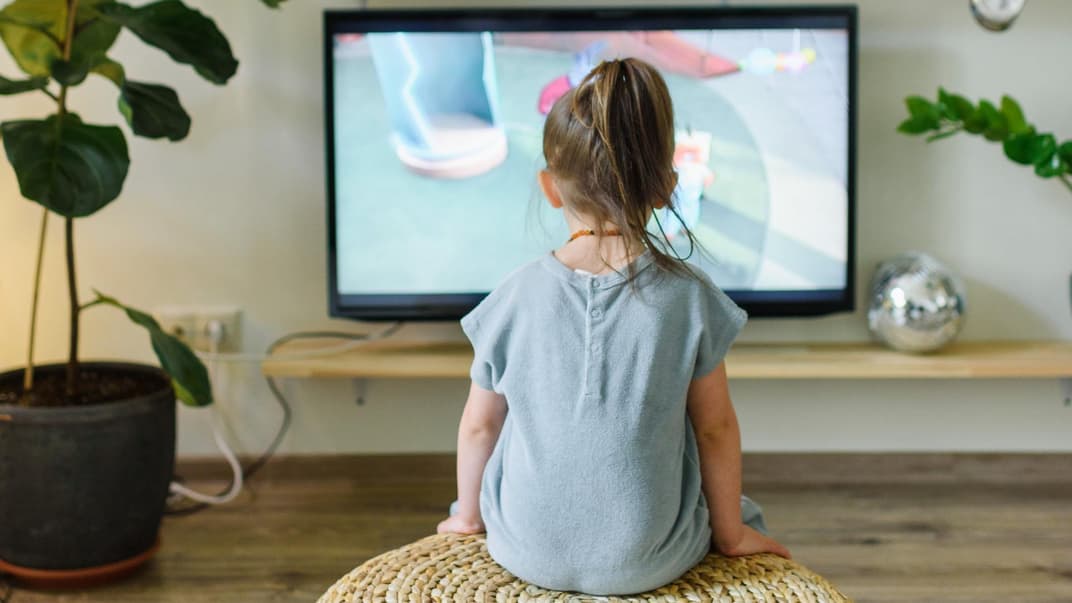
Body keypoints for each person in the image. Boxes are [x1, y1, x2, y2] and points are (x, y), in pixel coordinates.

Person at [436, 57, 790, 596]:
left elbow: (479, 428)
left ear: (551, 188)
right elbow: (715, 430)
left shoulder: (511, 296)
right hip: (650, 561)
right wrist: (732, 534)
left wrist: (466, 520)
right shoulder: (690, 298)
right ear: (667, 187)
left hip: (523, 549)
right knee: (733, 501)